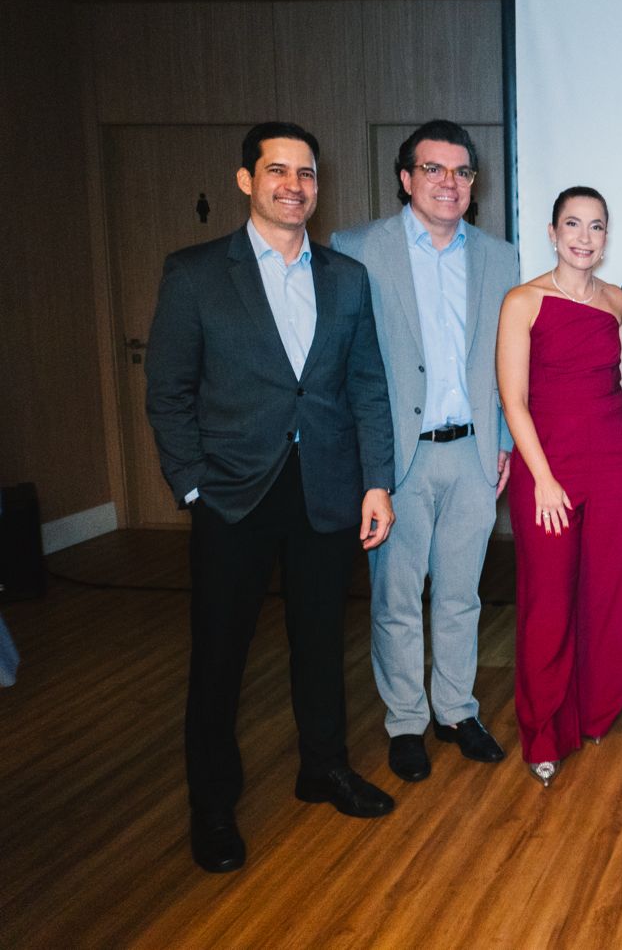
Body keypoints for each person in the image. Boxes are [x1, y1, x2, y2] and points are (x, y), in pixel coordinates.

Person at [145, 122, 397, 874]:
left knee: (320, 642)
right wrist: (193, 484)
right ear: (246, 181)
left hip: (326, 490)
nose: (294, 185)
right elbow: (168, 391)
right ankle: (212, 806)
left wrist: (376, 481)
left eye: (306, 173)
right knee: (219, 657)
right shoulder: (195, 274)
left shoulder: (346, 277)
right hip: (233, 495)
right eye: (278, 170)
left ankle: (323, 768)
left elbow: (367, 386)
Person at [331, 120, 518, 782]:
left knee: (462, 596)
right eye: (433, 169)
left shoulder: (501, 257)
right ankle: (406, 721)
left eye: (462, 171)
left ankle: (457, 711)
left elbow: (507, 360)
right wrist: (366, 466)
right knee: (396, 598)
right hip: (396, 459)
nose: (449, 182)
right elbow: (345, 365)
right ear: (406, 178)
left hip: (474, 454)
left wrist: (503, 441)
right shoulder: (356, 249)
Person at [496, 186, 622, 786]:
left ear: (607, 237)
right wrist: (543, 479)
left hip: (615, 462)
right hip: (547, 469)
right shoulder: (523, 301)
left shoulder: (617, 300)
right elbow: (513, 399)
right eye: (573, 225)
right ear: (553, 233)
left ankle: (595, 711)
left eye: (597, 226)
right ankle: (544, 731)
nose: (585, 237)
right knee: (548, 602)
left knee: (607, 595)